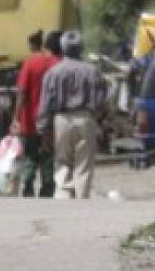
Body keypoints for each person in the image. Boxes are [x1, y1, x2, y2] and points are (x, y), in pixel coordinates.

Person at [36, 30, 108, 200]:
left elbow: (45, 104)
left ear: (62, 48)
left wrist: (43, 129)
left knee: (62, 162)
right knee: (83, 166)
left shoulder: (53, 73)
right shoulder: (93, 71)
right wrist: (100, 122)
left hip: (61, 120)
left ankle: (63, 199)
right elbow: (103, 102)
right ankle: (81, 202)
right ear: (81, 48)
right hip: (86, 119)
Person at [10, 29, 61, 198]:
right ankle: (47, 188)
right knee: (48, 156)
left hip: (30, 120)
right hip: (51, 121)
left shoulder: (30, 63)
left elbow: (22, 93)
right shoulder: (57, 62)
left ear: (32, 44)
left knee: (30, 156)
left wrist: (15, 118)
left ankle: (28, 187)